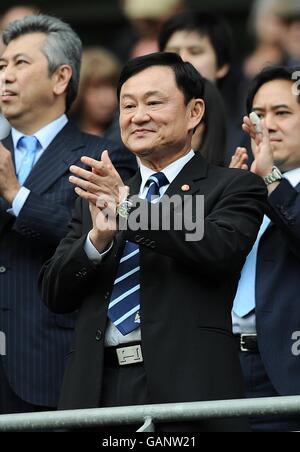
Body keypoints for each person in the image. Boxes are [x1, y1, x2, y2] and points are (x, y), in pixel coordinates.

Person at [40, 52, 267, 432]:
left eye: (154, 102)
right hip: (97, 389)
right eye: (128, 105)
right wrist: (97, 239)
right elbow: (54, 293)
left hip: (188, 389)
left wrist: (128, 209)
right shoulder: (99, 196)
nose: (138, 115)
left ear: (195, 112)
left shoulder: (231, 184)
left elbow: (215, 246)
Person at [0, 14, 136, 415]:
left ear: (61, 79)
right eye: (1, 65)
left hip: (49, 361)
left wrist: (15, 194)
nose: (6, 75)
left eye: (20, 64)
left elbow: (99, 239)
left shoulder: (102, 157)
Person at [231, 66, 300, 432]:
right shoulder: (234, 186)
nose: (267, 125)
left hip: (289, 372)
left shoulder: (273, 185)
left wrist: (271, 180)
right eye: (258, 114)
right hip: (223, 372)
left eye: (283, 112)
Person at [158, 11, 247, 164]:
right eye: (173, 52)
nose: (182, 59)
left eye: (195, 51)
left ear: (221, 66)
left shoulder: (244, 137)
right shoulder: (140, 126)